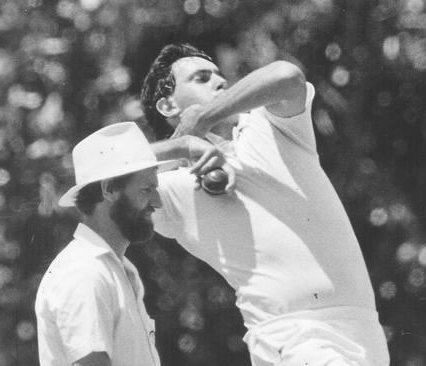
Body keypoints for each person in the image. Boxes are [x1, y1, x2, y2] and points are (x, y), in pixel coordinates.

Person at [141, 43, 390, 366]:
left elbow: (287, 76)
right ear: (167, 105)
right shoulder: (174, 189)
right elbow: (97, 179)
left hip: (363, 333)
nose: (220, 82)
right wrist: (183, 145)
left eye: (220, 76)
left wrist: (202, 118)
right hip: (296, 338)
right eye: (202, 78)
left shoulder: (267, 128)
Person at [34, 122, 173, 366]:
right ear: (109, 189)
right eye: (146, 189)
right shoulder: (84, 272)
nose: (157, 202)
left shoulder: (117, 269)